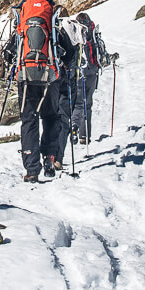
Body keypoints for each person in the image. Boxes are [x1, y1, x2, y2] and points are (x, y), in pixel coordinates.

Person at [8, 0, 62, 182]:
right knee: (51, 117)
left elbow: (8, 53)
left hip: (27, 78)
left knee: (29, 120)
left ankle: (31, 168)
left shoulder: (21, 28)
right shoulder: (53, 26)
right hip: (51, 77)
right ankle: (49, 157)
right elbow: (68, 53)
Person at [55, 9, 82, 170]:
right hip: (68, 80)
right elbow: (77, 56)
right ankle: (58, 157)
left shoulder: (48, 30)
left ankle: (47, 155)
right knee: (64, 118)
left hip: (49, 81)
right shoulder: (73, 28)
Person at [72, 10, 100, 144]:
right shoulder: (93, 32)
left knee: (77, 103)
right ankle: (85, 135)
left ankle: (74, 126)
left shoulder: (74, 31)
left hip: (78, 73)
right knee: (87, 103)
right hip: (92, 72)